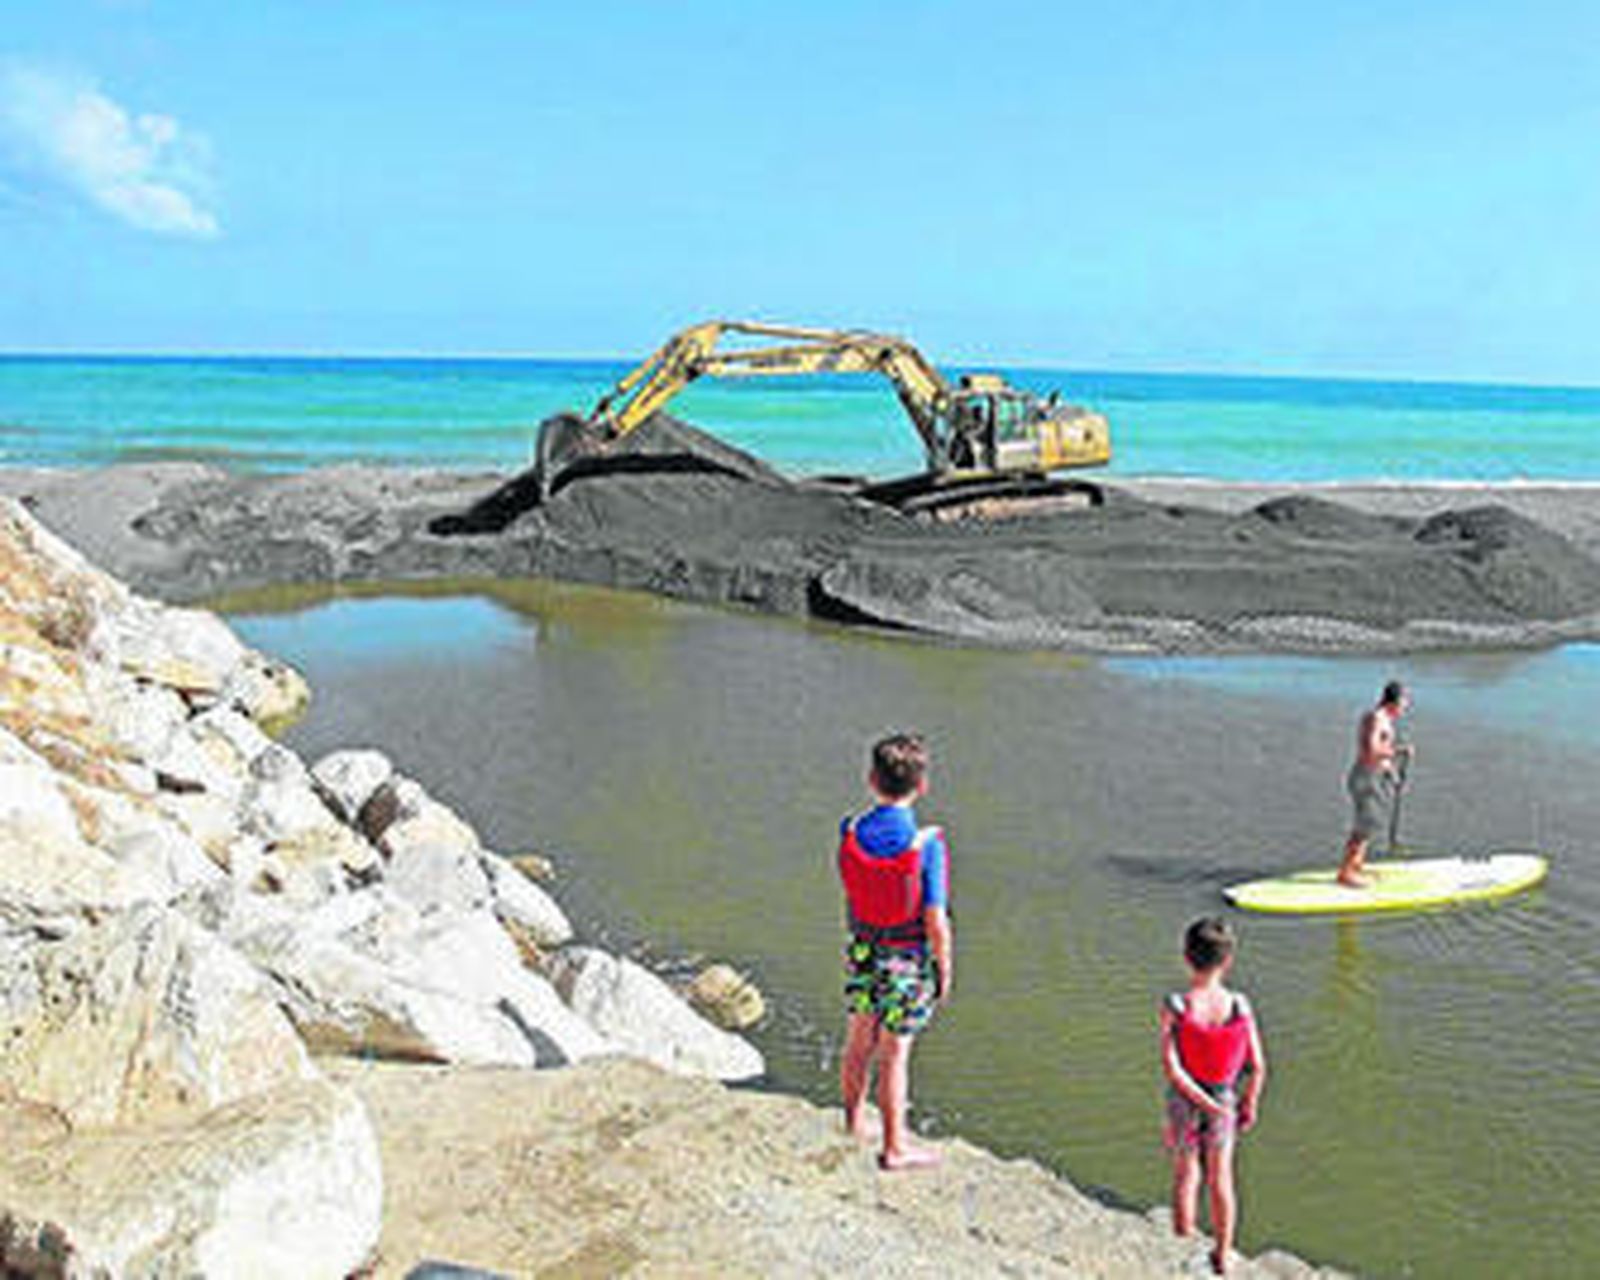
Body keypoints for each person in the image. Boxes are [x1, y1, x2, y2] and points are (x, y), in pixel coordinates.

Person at [837, 731, 953, 1171]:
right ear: (922, 786)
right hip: (906, 959)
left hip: (863, 949)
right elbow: (936, 921)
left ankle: (852, 1120)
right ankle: (894, 1148)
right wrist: (945, 970)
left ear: (871, 779)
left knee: (858, 1039)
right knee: (895, 1051)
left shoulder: (851, 831)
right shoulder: (925, 845)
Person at [1160, 917, 1267, 1276]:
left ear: (1186, 957)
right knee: (1221, 1178)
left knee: (1186, 1172)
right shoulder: (1240, 1005)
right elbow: (1257, 1065)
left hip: (1184, 1099)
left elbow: (1172, 1068)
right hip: (1224, 1098)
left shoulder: (1176, 1005)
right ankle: (1223, 1254)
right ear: (1228, 961)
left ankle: (1183, 1243)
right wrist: (1248, 1100)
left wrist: (1202, 1103)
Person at [1338, 679, 1414, 888]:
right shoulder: (1375, 718)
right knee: (1365, 825)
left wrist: (1391, 774)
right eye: (1404, 703)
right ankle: (1345, 874)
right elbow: (1370, 750)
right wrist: (1400, 751)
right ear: (1394, 701)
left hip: (1374, 776)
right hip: (1364, 777)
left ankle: (1356, 865)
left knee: (1370, 823)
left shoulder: (1386, 720)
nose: (1405, 708)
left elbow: (1381, 753)